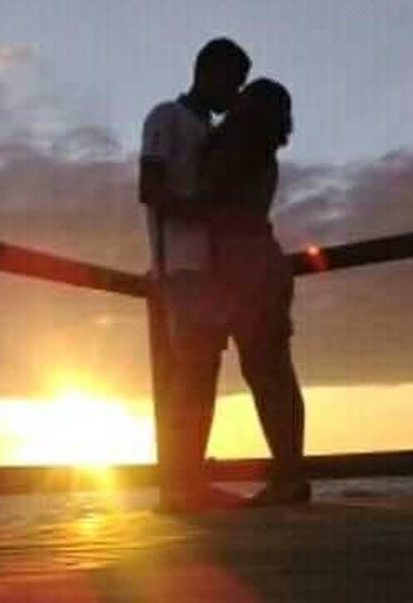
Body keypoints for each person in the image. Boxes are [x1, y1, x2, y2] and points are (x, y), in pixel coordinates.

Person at [139, 37, 251, 511]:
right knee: (189, 374)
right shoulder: (165, 117)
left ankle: (191, 481)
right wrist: (206, 213)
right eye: (233, 81)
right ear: (207, 71)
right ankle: (180, 485)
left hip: (213, 269)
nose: (235, 92)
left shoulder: (213, 132)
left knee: (204, 374)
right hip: (180, 266)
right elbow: (151, 189)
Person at [199, 78, 310, 506]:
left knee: (265, 373)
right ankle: (290, 473)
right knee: (275, 372)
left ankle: (288, 477)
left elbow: (206, 198)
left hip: (243, 263)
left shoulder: (236, 148)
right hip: (265, 259)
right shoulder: (264, 155)